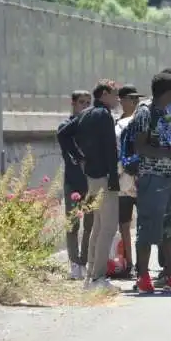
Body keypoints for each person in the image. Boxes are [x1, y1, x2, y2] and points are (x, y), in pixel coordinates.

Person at [57, 79, 121, 292]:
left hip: (92, 177)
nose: (117, 98)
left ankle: (91, 275)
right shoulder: (104, 116)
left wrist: (79, 157)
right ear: (104, 94)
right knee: (108, 227)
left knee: (97, 227)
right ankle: (98, 277)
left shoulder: (85, 114)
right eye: (114, 94)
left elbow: (63, 134)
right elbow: (110, 149)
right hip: (104, 177)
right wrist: (114, 178)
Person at [132, 73, 171, 293]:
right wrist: (170, 154)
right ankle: (143, 277)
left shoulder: (165, 113)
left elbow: (168, 143)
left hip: (170, 177)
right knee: (148, 227)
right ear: (168, 92)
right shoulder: (145, 112)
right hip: (152, 178)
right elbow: (141, 146)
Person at [58, 90, 93, 280]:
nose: (85, 106)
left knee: (90, 225)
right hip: (72, 182)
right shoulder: (66, 126)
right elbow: (63, 137)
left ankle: (83, 261)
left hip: (90, 182)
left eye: (88, 103)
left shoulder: (91, 127)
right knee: (72, 225)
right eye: (82, 102)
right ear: (73, 103)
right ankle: (74, 263)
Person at [113, 84, 144, 280]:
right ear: (122, 101)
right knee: (124, 224)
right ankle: (131, 263)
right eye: (130, 99)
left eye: (135, 99)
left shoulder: (139, 123)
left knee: (141, 223)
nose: (134, 102)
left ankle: (139, 265)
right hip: (125, 180)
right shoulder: (117, 125)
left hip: (136, 178)